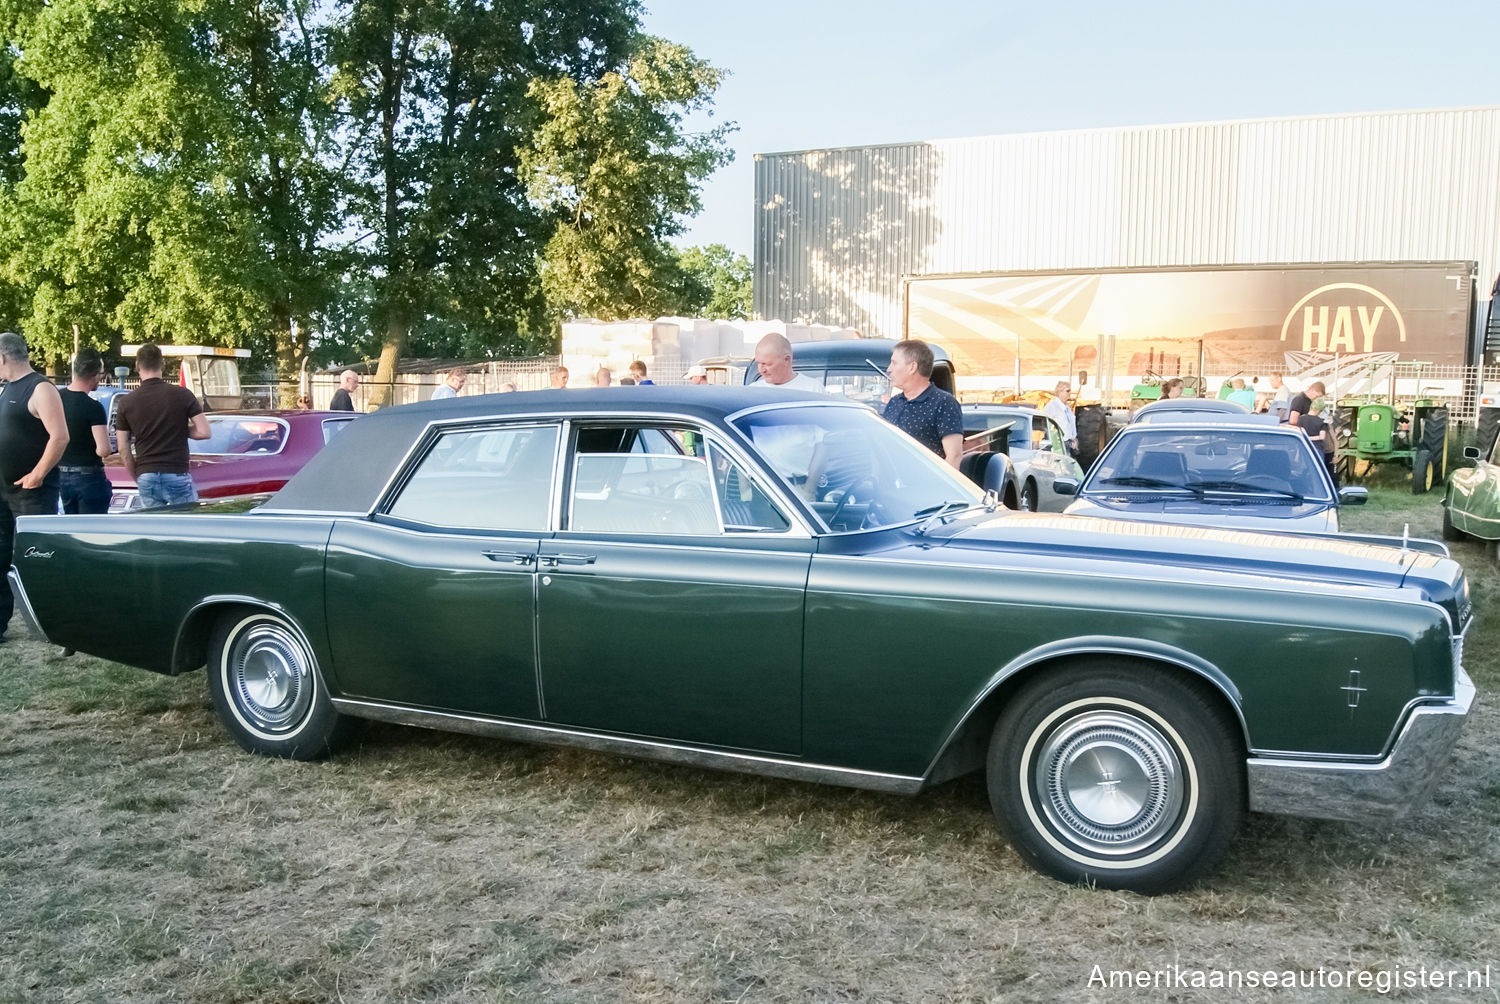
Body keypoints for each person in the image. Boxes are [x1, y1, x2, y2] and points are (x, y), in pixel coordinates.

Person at [0, 331, 68, 641]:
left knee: (36, 559)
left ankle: (52, 624)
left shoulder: (40, 388)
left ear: (3, 357)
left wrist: (37, 474)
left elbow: (60, 436)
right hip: (3, 491)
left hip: (32, 493)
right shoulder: (5, 390)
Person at [114, 343, 211, 509]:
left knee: (154, 528)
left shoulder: (126, 402)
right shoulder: (182, 395)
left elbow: (123, 449)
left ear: (137, 365)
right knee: (186, 525)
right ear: (162, 365)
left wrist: (138, 475)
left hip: (146, 474)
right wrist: (178, 428)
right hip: (176, 472)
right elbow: (204, 432)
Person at [882, 340, 962, 468]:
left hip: (926, 485)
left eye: (894, 363)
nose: (889, 369)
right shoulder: (894, 402)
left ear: (912, 367)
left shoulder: (944, 403)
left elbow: (954, 456)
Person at [57, 349, 113, 514]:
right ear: (95, 375)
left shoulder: (56, 398)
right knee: (91, 532)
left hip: (60, 475)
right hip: (88, 477)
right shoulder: (93, 407)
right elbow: (103, 449)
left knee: (70, 532)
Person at [753, 333, 822, 390]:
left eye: (767, 364)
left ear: (786, 360)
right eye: (758, 363)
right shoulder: (753, 392)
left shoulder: (813, 389)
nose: (761, 370)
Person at [1298, 399, 1339, 487]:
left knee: (1329, 477)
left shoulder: (1326, 424)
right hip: (1321, 451)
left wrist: (1335, 456)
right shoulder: (1321, 423)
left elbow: (1335, 441)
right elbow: (1323, 437)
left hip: (1327, 452)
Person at [1043, 381, 1079, 456]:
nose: (1070, 393)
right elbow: (1044, 424)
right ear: (1060, 392)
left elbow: (1071, 426)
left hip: (1070, 444)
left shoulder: (1068, 409)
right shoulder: (1051, 406)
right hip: (1058, 444)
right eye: (1067, 391)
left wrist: (1074, 439)